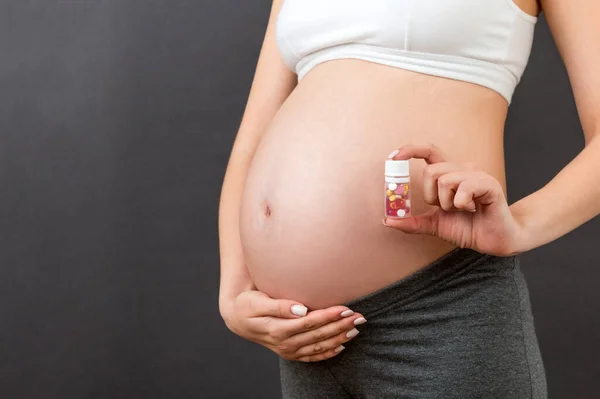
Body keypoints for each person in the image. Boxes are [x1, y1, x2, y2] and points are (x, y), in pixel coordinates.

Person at [218, 0, 599, 397]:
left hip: (440, 310)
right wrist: (235, 292)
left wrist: (521, 226)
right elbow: (252, 138)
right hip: (306, 335)